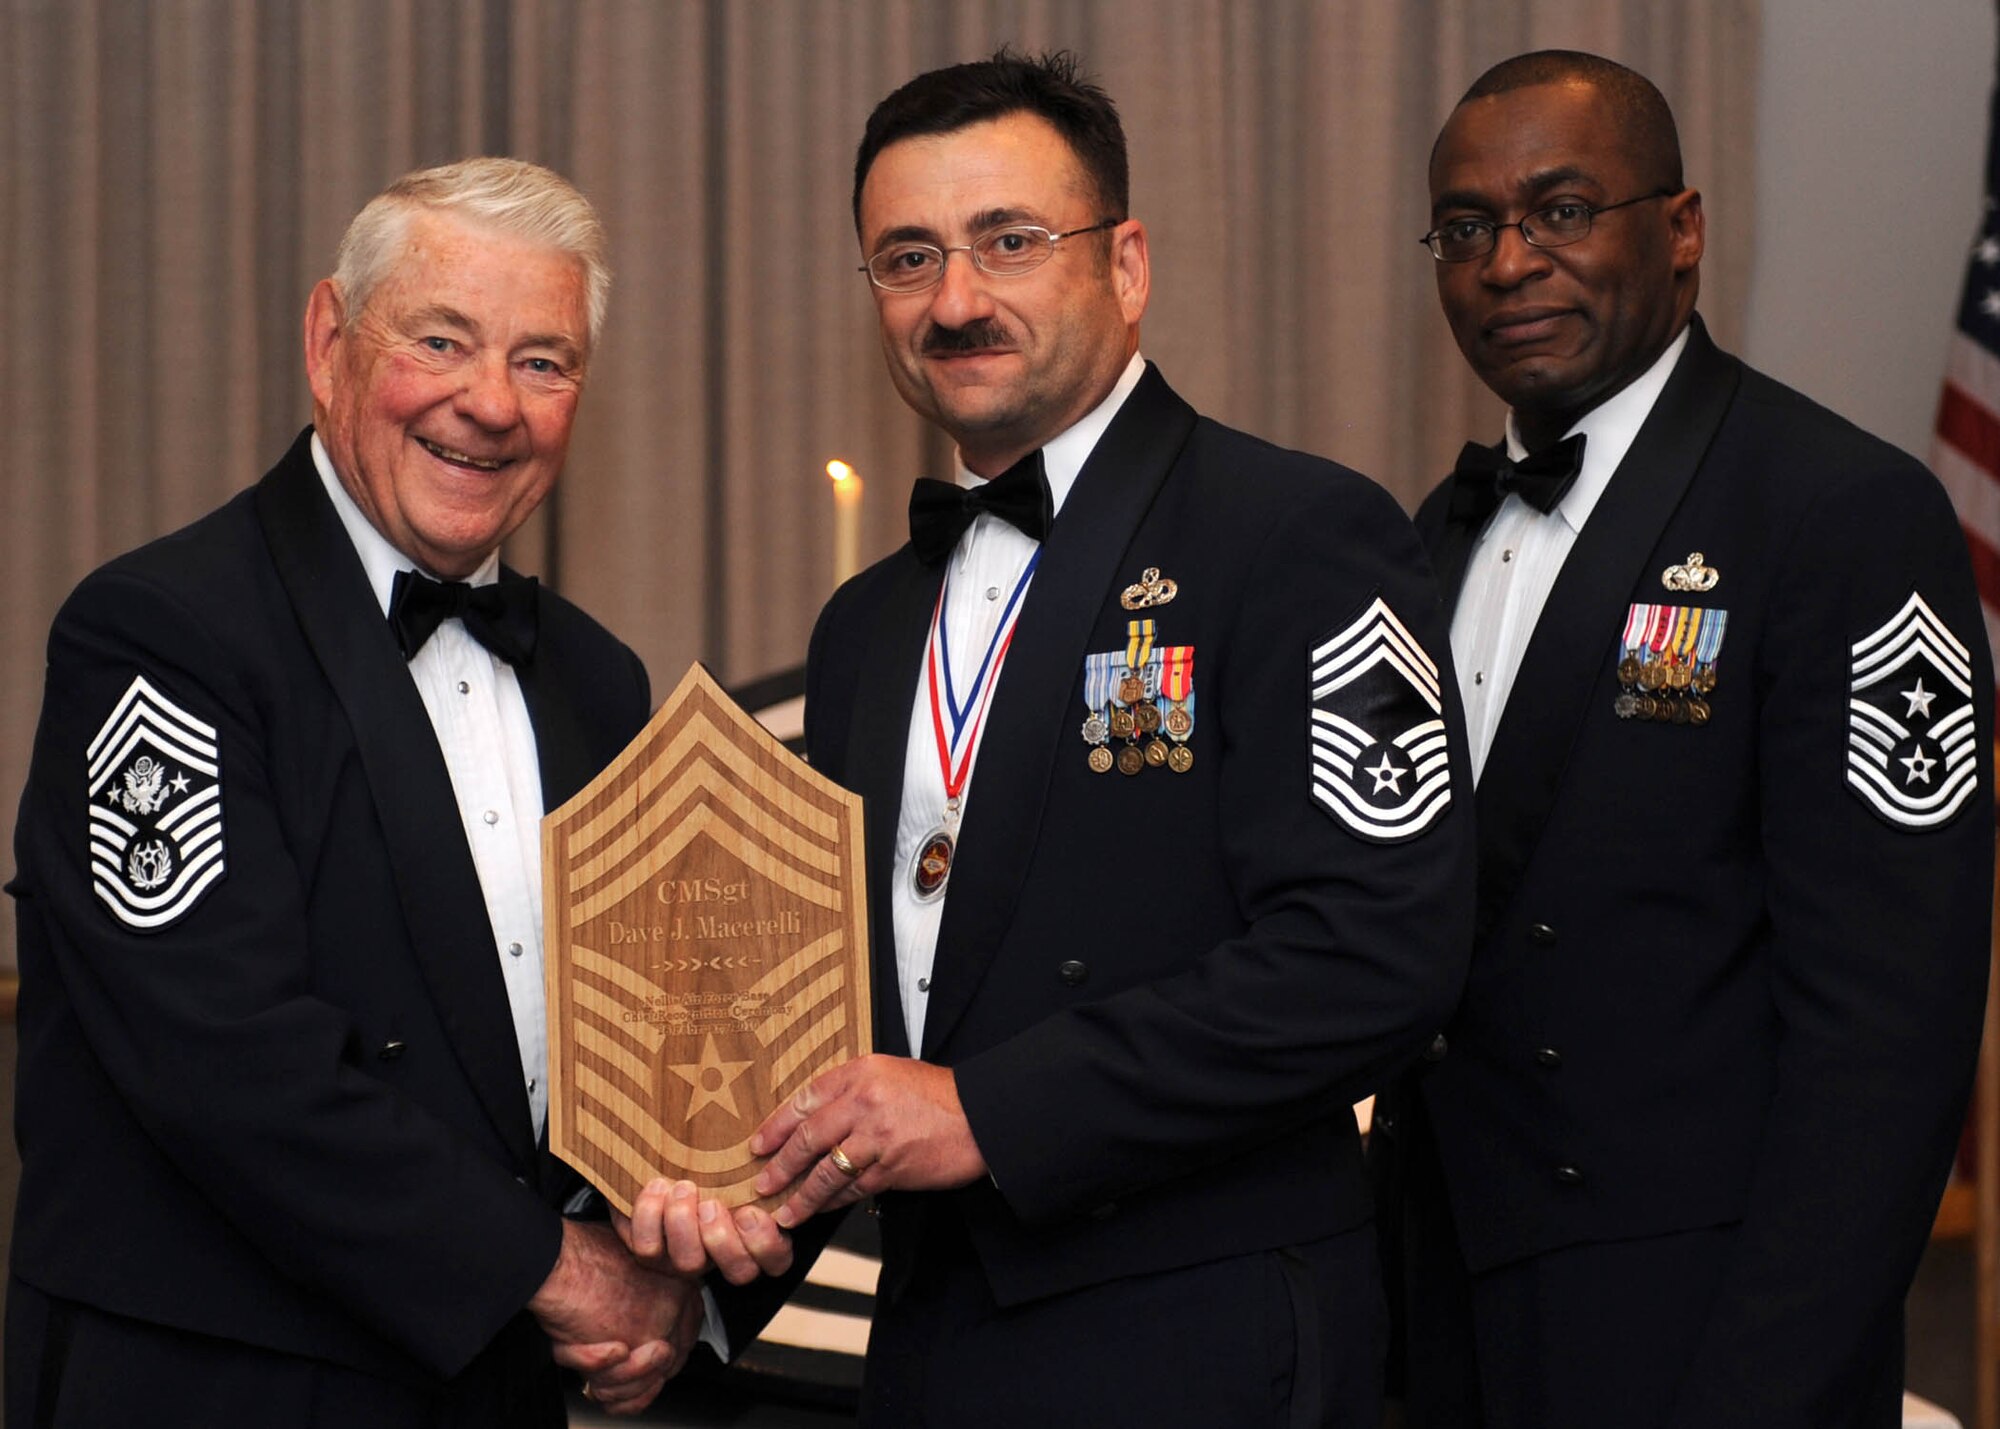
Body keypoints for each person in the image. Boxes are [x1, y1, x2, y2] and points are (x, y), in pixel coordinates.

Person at [627, 49, 1475, 1426]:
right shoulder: (864, 624)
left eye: (1007, 242)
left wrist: (987, 1111)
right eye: (907, 259)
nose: (955, 300)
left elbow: (1376, 958)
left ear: (1125, 263)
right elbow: (828, 1029)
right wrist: (689, 1284)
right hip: (930, 1352)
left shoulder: (1297, 536)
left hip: (1203, 1343)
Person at [6, 157, 706, 1425]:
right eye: (442, 340)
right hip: (218, 1383)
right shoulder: (162, 634)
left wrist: (673, 1254)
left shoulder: (600, 681)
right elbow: (225, 1061)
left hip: (486, 1381)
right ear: (329, 339)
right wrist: (557, 1273)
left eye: (543, 362)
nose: (489, 403)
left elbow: (638, 1047)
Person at [1375, 50, 1995, 1429]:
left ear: (1683, 228)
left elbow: (1889, 1036)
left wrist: (1767, 1391)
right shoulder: (1438, 532)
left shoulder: (1841, 515)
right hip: (1447, 1312)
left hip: (1697, 1329)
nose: (1510, 263)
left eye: (1562, 209)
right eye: (1468, 227)